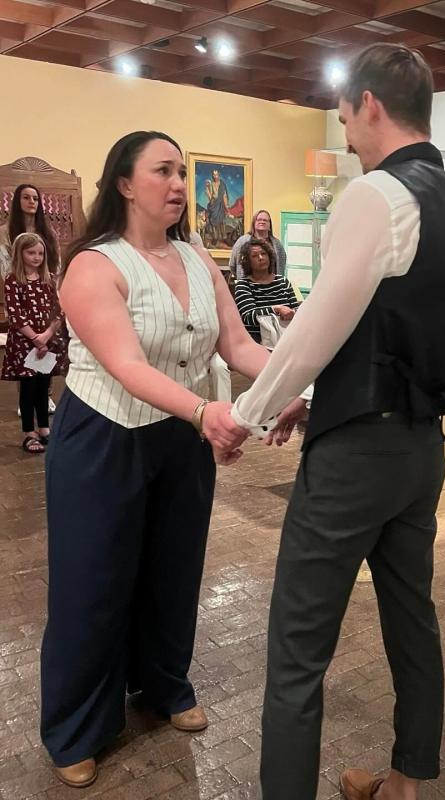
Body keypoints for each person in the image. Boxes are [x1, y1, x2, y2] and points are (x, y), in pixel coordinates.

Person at [224, 44, 445, 800]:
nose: (343, 131)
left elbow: (313, 331)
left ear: (370, 103)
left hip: (355, 462)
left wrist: (247, 412)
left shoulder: (376, 196)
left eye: (343, 114)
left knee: (297, 650)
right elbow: (390, 332)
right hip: (419, 449)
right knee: (413, 621)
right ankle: (407, 782)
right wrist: (315, 396)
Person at [39, 130, 267, 789]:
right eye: (163, 171)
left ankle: (163, 684)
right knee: (94, 583)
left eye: (183, 172)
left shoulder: (198, 256)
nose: (178, 184)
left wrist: (296, 383)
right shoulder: (93, 265)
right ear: (125, 183)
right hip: (104, 436)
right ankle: (75, 726)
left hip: (179, 439)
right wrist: (204, 413)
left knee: (173, 571)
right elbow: (127, 366)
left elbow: (238, 345)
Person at [1, 233, 67, 452]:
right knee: (28, 389)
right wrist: (35, 338)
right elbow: (15, 314)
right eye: (31, 252)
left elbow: (57, 311)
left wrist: (47, 335)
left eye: (40, 253)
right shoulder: (13, 280)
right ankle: (29, 432)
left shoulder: (48, 279)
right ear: (20, 253)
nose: (37, 257)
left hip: (46, 343)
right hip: (24, 344)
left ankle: (45, 428)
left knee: (43, 386)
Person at [234, 237, 300, 346]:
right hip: (257, 343)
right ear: (248, 262)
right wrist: (276, 309)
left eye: (263, 254)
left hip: (285, 340)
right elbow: (248, 316)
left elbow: (296, 309)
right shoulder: (244, 285)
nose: (261, 258)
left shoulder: (283, 282)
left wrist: (292, 313)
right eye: (255, 256)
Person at [0, 183, 60, 279]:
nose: (32, 201)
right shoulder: (4, 232)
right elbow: (5, 265)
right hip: (17, 284)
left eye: (35, 199)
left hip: (47, 283)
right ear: (17, 202)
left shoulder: (49, 232)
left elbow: (57, 263)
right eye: (26, 198)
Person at [229, 209, 288, 278]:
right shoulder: (242, 242)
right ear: (254, 223)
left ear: (270, 225)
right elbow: (232, 265)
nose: (262, 222)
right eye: (259, 220)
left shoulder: (277, 245)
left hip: (272, 286)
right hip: (248, 285)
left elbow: (282, 265)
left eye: (265, 220)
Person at [204, 168, 229, 246]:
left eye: (216, 174)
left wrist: (226, 206)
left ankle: (224, 237)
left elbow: (224, 195)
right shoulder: (211, 184)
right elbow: (210, 196)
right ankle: (215, 237)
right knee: (213, 221)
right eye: (214, 175)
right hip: (214, 204)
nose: (215, 176)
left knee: (221, 221)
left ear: (219, 175)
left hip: (220, 205)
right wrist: (207, 188)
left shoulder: (222, 184)